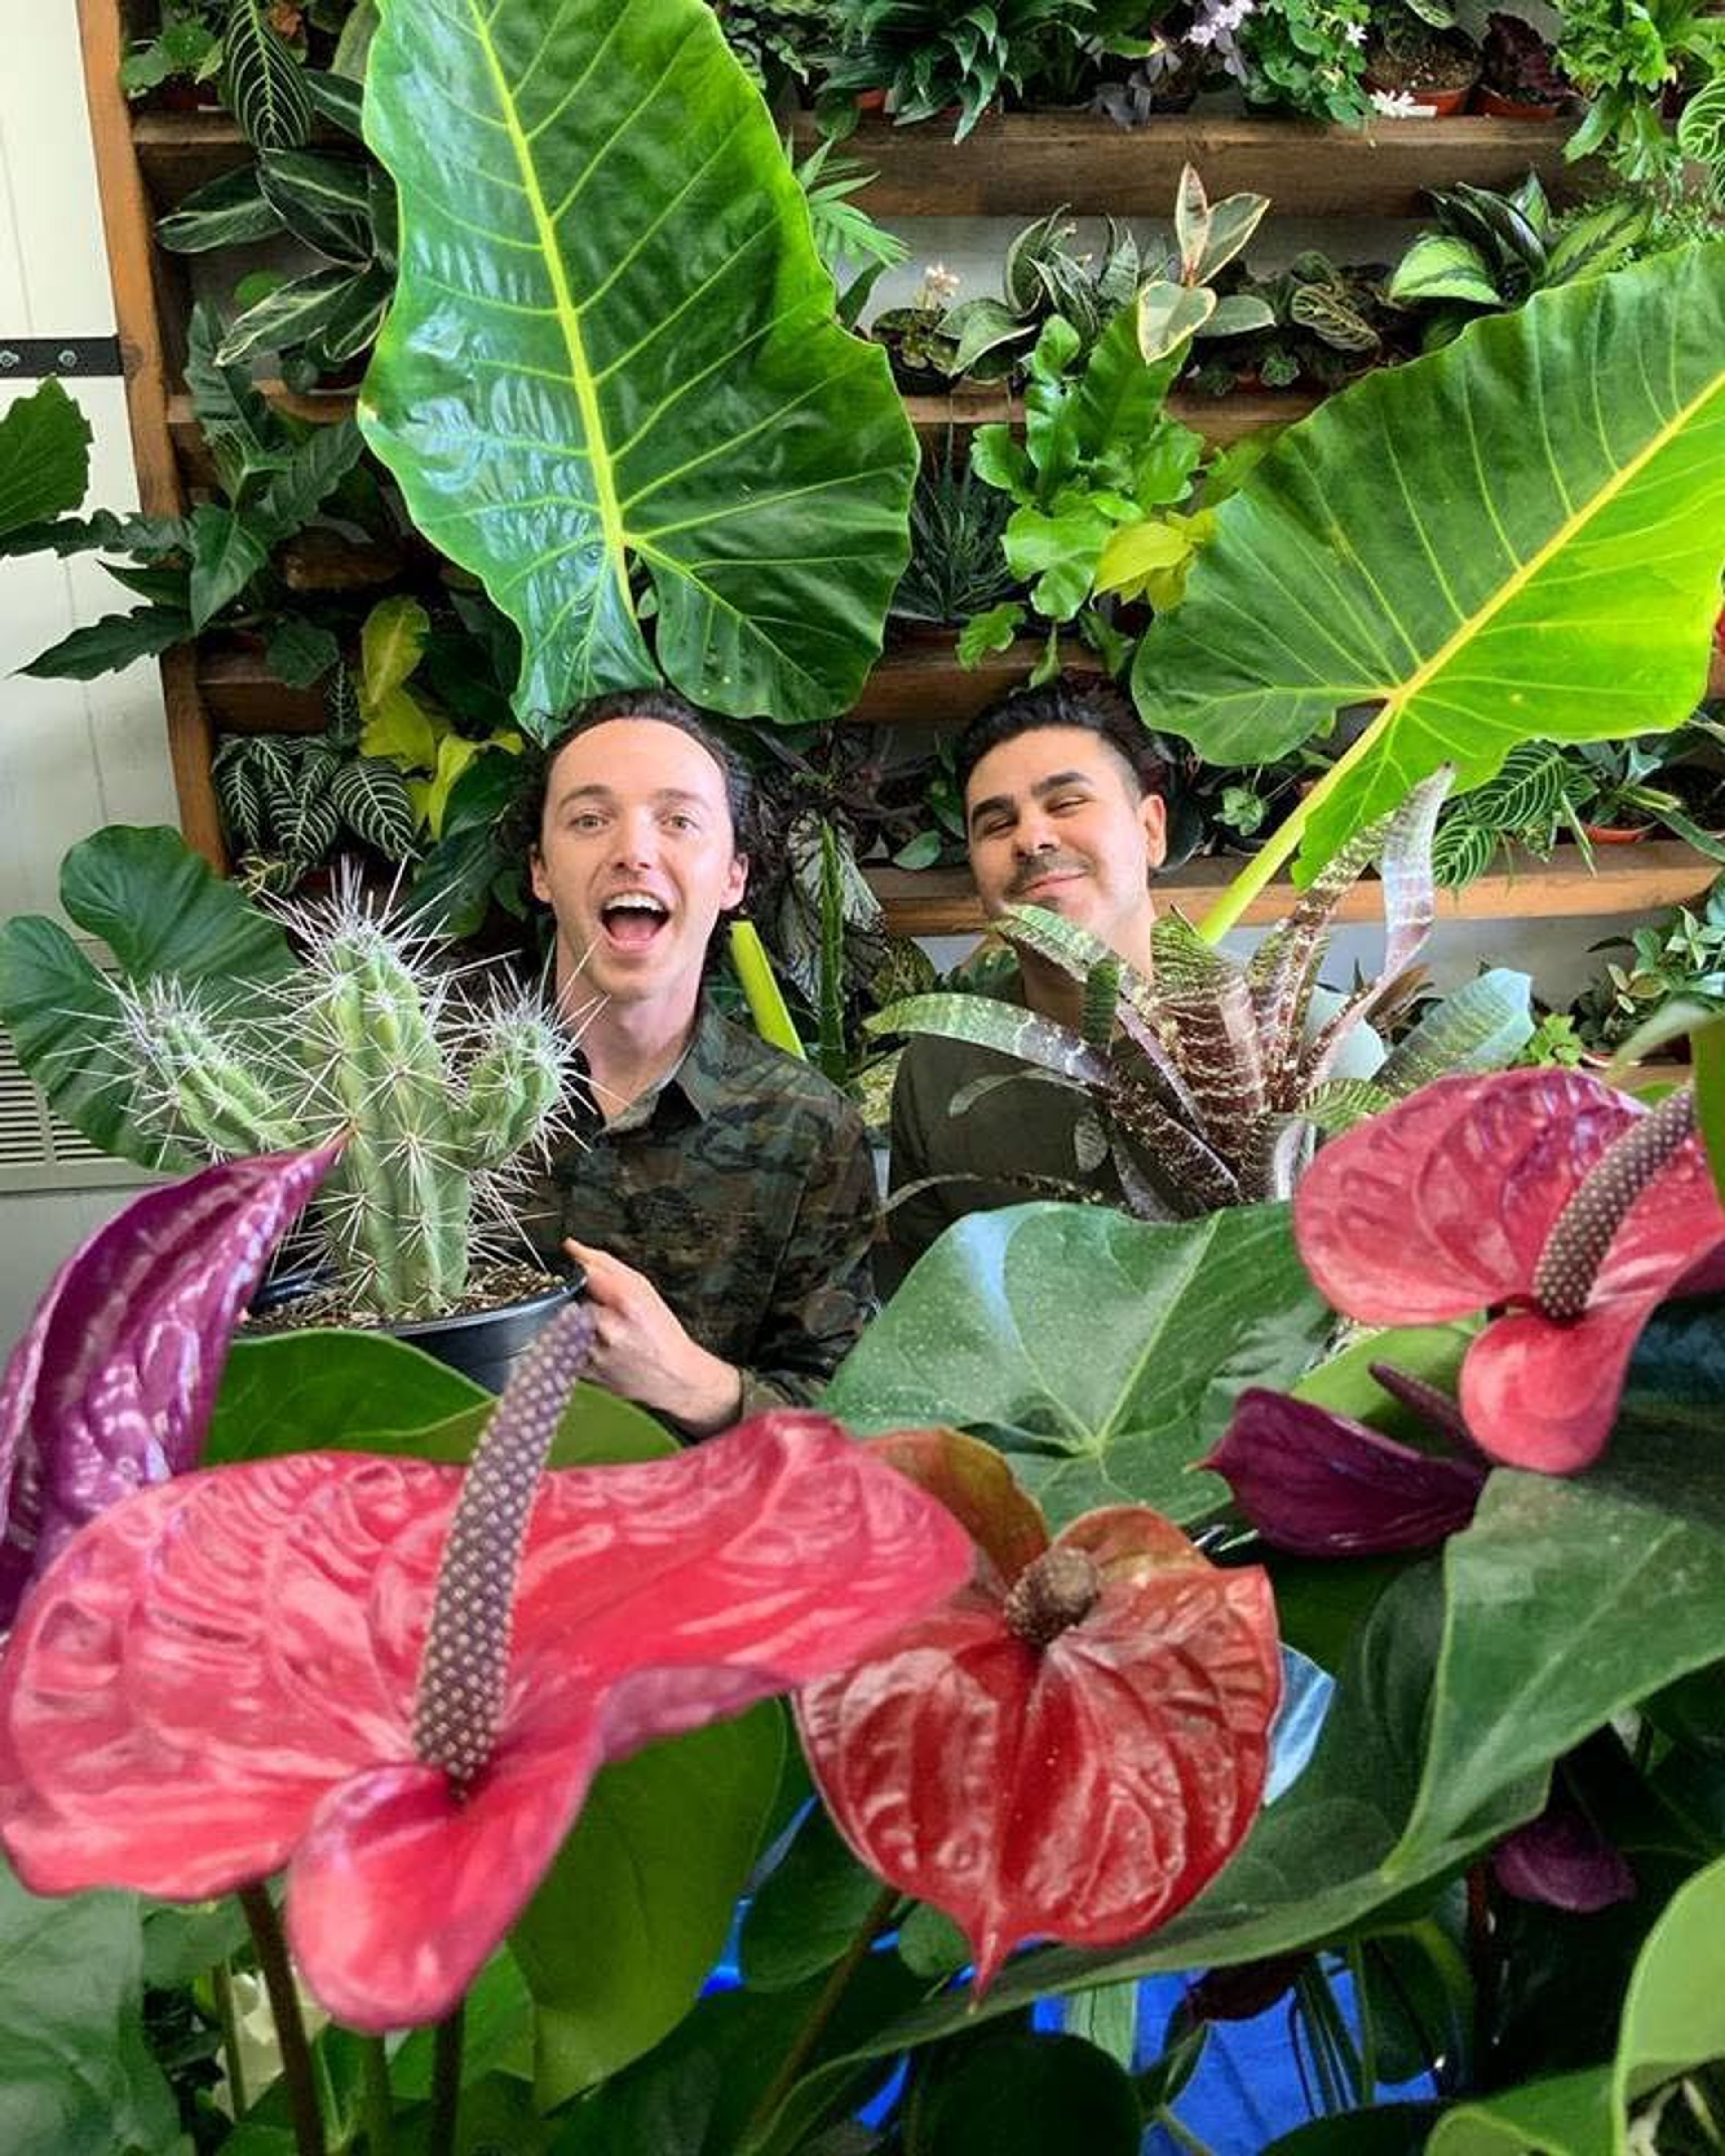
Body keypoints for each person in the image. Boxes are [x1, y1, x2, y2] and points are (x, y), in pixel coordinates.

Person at [513, 688, 877, 1434]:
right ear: (541, 871)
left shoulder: (805, 1128)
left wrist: (698, 1386)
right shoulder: (428, 1096)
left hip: (716, 1534)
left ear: (735, 877)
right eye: (589, 820)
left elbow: (854, 1418)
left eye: (678, 821)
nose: (633, 851)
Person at [882, 673, 1169, 1285]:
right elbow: (931, 1313)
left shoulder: (1302, 1044)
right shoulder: (940, 1067)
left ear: (1151, 830)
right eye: (995, 824)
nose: (1032, 838)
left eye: (1066, 803)